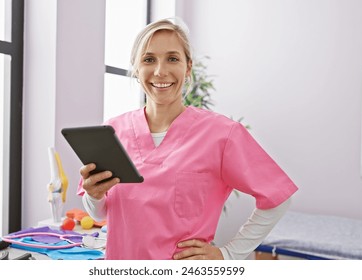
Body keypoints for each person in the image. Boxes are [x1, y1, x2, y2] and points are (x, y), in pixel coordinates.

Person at [77, 17, 298, 260]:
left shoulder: (222, 134)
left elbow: (278, 198)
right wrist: (94, 195)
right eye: (149, 59)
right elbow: (100, 215)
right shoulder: (112, 132)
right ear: (136, 68)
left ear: (188, 67)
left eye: (172, 58)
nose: (161, 71)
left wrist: (229, 254)